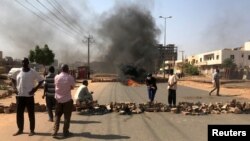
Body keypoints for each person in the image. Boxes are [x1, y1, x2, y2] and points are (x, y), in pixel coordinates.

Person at [11, 58, 44, 136]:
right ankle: (20, 129)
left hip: (29, 96)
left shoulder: (33, 72)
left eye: (25, 62)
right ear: (21, 63)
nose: (24, 64)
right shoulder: (18, 71)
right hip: (20, 96)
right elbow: (12, 79)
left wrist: (34, 89)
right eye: (23, 62)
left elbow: (41, 80)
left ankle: (32, 130)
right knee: (19, 114)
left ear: (28, 63)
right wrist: (14, 88)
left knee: (31, 114)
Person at [52, 64, 75, 138]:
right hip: (67, 100)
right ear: (67, 69)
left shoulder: (56, 77)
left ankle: (55, 131)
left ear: (61, 69)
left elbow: (55, 86)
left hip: (58, 100)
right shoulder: (70, 77)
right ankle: (65, 132)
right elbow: (72, 87)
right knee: (66, 117)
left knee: (57, 116)